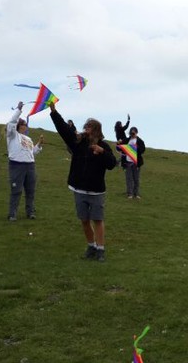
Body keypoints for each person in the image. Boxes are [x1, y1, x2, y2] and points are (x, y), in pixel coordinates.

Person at [50, 102, 117, 262]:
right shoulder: (78, 143)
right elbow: (64, 130)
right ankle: (91, 246)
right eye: (85, 127)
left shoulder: (103, 146)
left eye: (89, 128)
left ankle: (101, 250)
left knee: (98, 220)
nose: (86, 130)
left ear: (97, 131)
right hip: (79, 189)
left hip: (96, 191)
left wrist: (102, 153)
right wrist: (54, 112)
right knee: (84, 220)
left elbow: (112, 164)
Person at [6, 101, 43, 221]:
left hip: (30, 166)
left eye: (25, 124)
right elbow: (11, 123)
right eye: (23, 124)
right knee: (16, 191)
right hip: (17, 165)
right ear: (18, 125)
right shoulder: (12, 135)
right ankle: (12, 214)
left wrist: (39, 144)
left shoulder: (28, 138)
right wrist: (18, 110)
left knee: (30, 191)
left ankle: (30, 212)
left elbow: (32, 152)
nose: (25, 126)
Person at [120, 127, 146, 199]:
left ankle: (136, 193)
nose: (132, 134)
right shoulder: (126, 140)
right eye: (131, 133)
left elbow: (143, 150)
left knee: (136, 178)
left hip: (136, 163)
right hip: (127, 162)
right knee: (129, 178)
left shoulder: (140, 141)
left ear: (136, 133)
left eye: (133, 133)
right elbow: (121, 148)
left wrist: (134, 149)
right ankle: (130, 194)